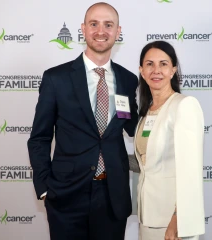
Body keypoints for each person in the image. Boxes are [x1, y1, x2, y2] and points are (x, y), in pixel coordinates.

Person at [27, 2, 138, 239]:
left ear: (118, 32)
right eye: (94, 24)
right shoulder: (56, 78)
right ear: (83, 29)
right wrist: (45, 187)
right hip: (65, 196)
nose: (101, 31)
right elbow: (40, 138)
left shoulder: (128, 80)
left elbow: (134, 127)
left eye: (108, 25)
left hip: (112, 196)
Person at [131, 41, 205, 240]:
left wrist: (177, 220)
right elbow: (147, 162)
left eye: (163, 64)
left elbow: (190, 170)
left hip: (172, 224)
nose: (156, 70)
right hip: (147, 217)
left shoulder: (184, 106)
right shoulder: (146, 113)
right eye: (149, 64)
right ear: (141, 70)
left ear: (173, 70)